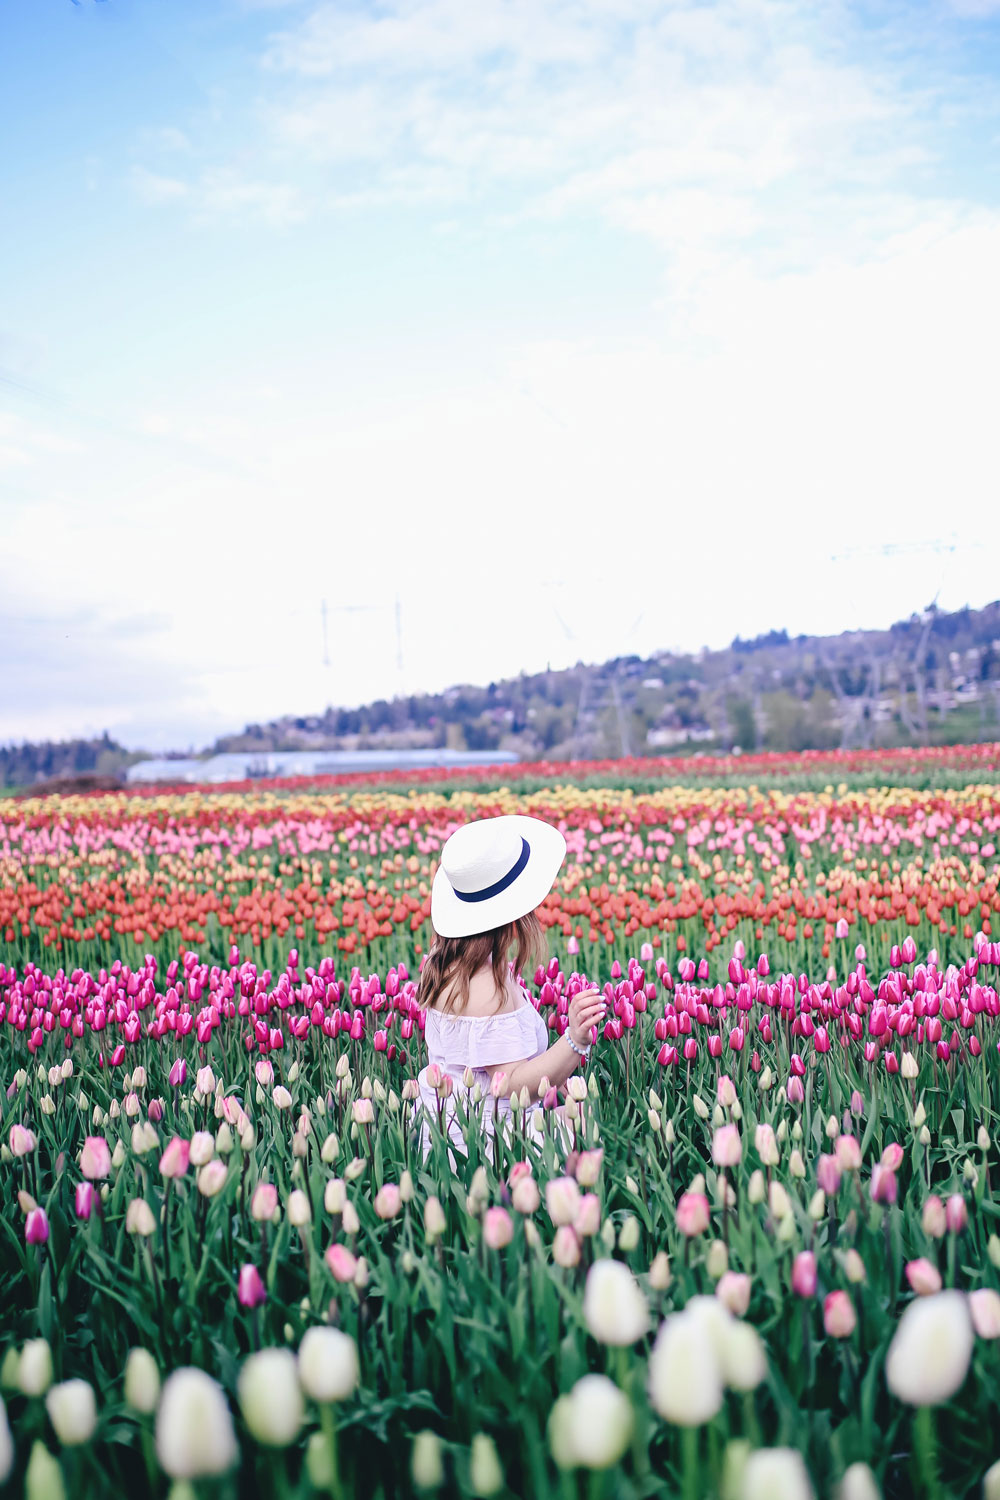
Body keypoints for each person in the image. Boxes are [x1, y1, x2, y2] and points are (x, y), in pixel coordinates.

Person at [414, 814, 606, 1158]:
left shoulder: (444, 962)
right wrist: (574, 1040)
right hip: (491, 1147)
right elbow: (513, 1086)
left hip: (443, 1130)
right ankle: (565, 1209)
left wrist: (556, 1073)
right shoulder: (486, 986)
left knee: (574, 1111)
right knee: (583, 1119)